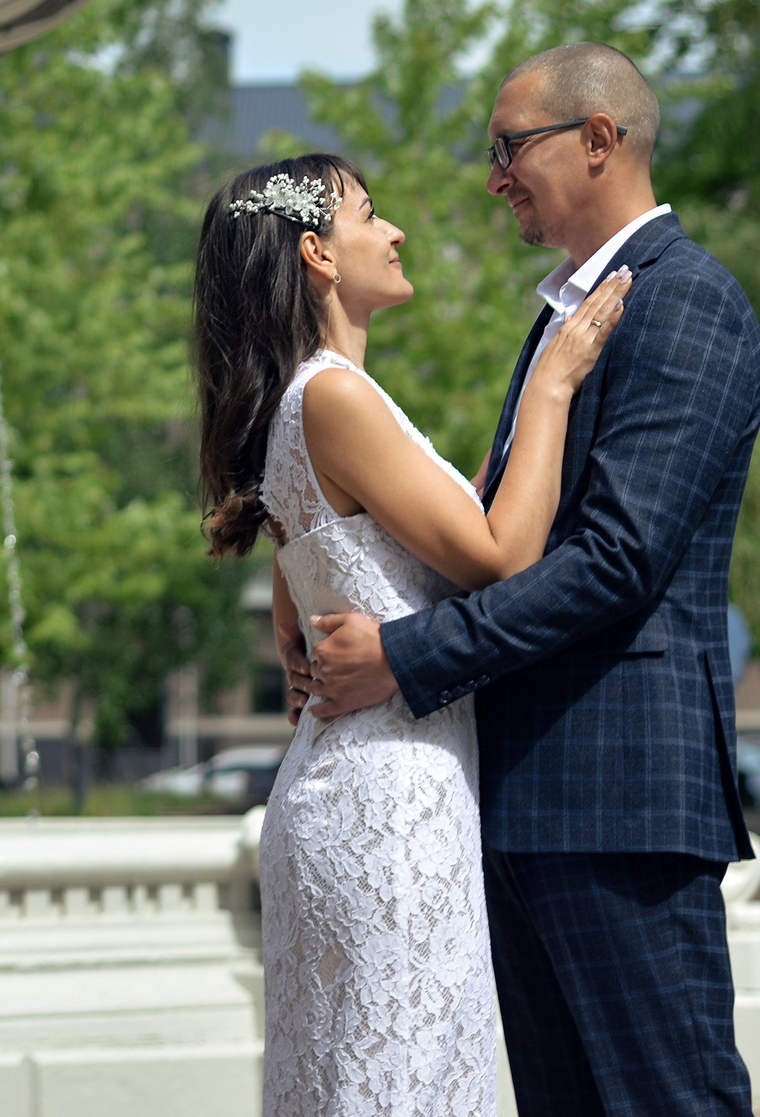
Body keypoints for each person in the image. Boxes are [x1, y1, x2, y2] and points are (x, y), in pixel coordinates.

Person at [303, 43, 760, 1117]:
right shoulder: (568, 313)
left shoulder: (683, 302)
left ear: (598, 140)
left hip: (618, 800)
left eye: (510, 146)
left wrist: (403, 657)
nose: (493, 174)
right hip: (519, 795)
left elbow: (616, 559)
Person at [193, 151, 631, 1116]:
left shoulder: (303, 400)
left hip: (355, 785)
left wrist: (292, 601)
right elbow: (501, 553)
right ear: (317, 253)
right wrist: (552, 384)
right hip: (391, 804)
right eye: (371, 214)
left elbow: (363, 541)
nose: (395, 233)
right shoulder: (335, 396)